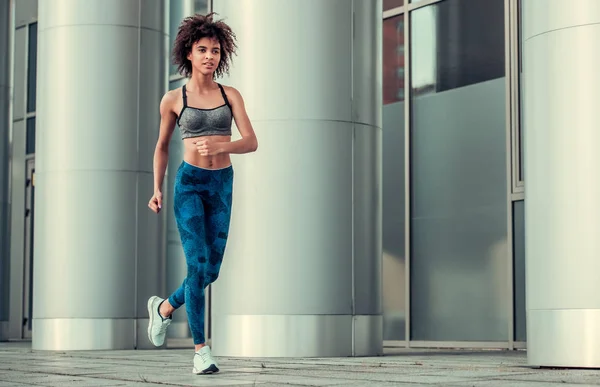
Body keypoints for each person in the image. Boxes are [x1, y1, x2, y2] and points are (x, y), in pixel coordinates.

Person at [146, 12, 258, 375]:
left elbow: (252, 142)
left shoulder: (230, 95)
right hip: (190, 185)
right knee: (196, 265)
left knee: (209, 272)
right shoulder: (173, 98)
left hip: (221, 185)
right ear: (189, 54)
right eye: (202, 49)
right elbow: (162, 146)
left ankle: (164, 308)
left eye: (215, 50)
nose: (210, 56)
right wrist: (156, 188)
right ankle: (201, 351)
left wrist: (222, 144)